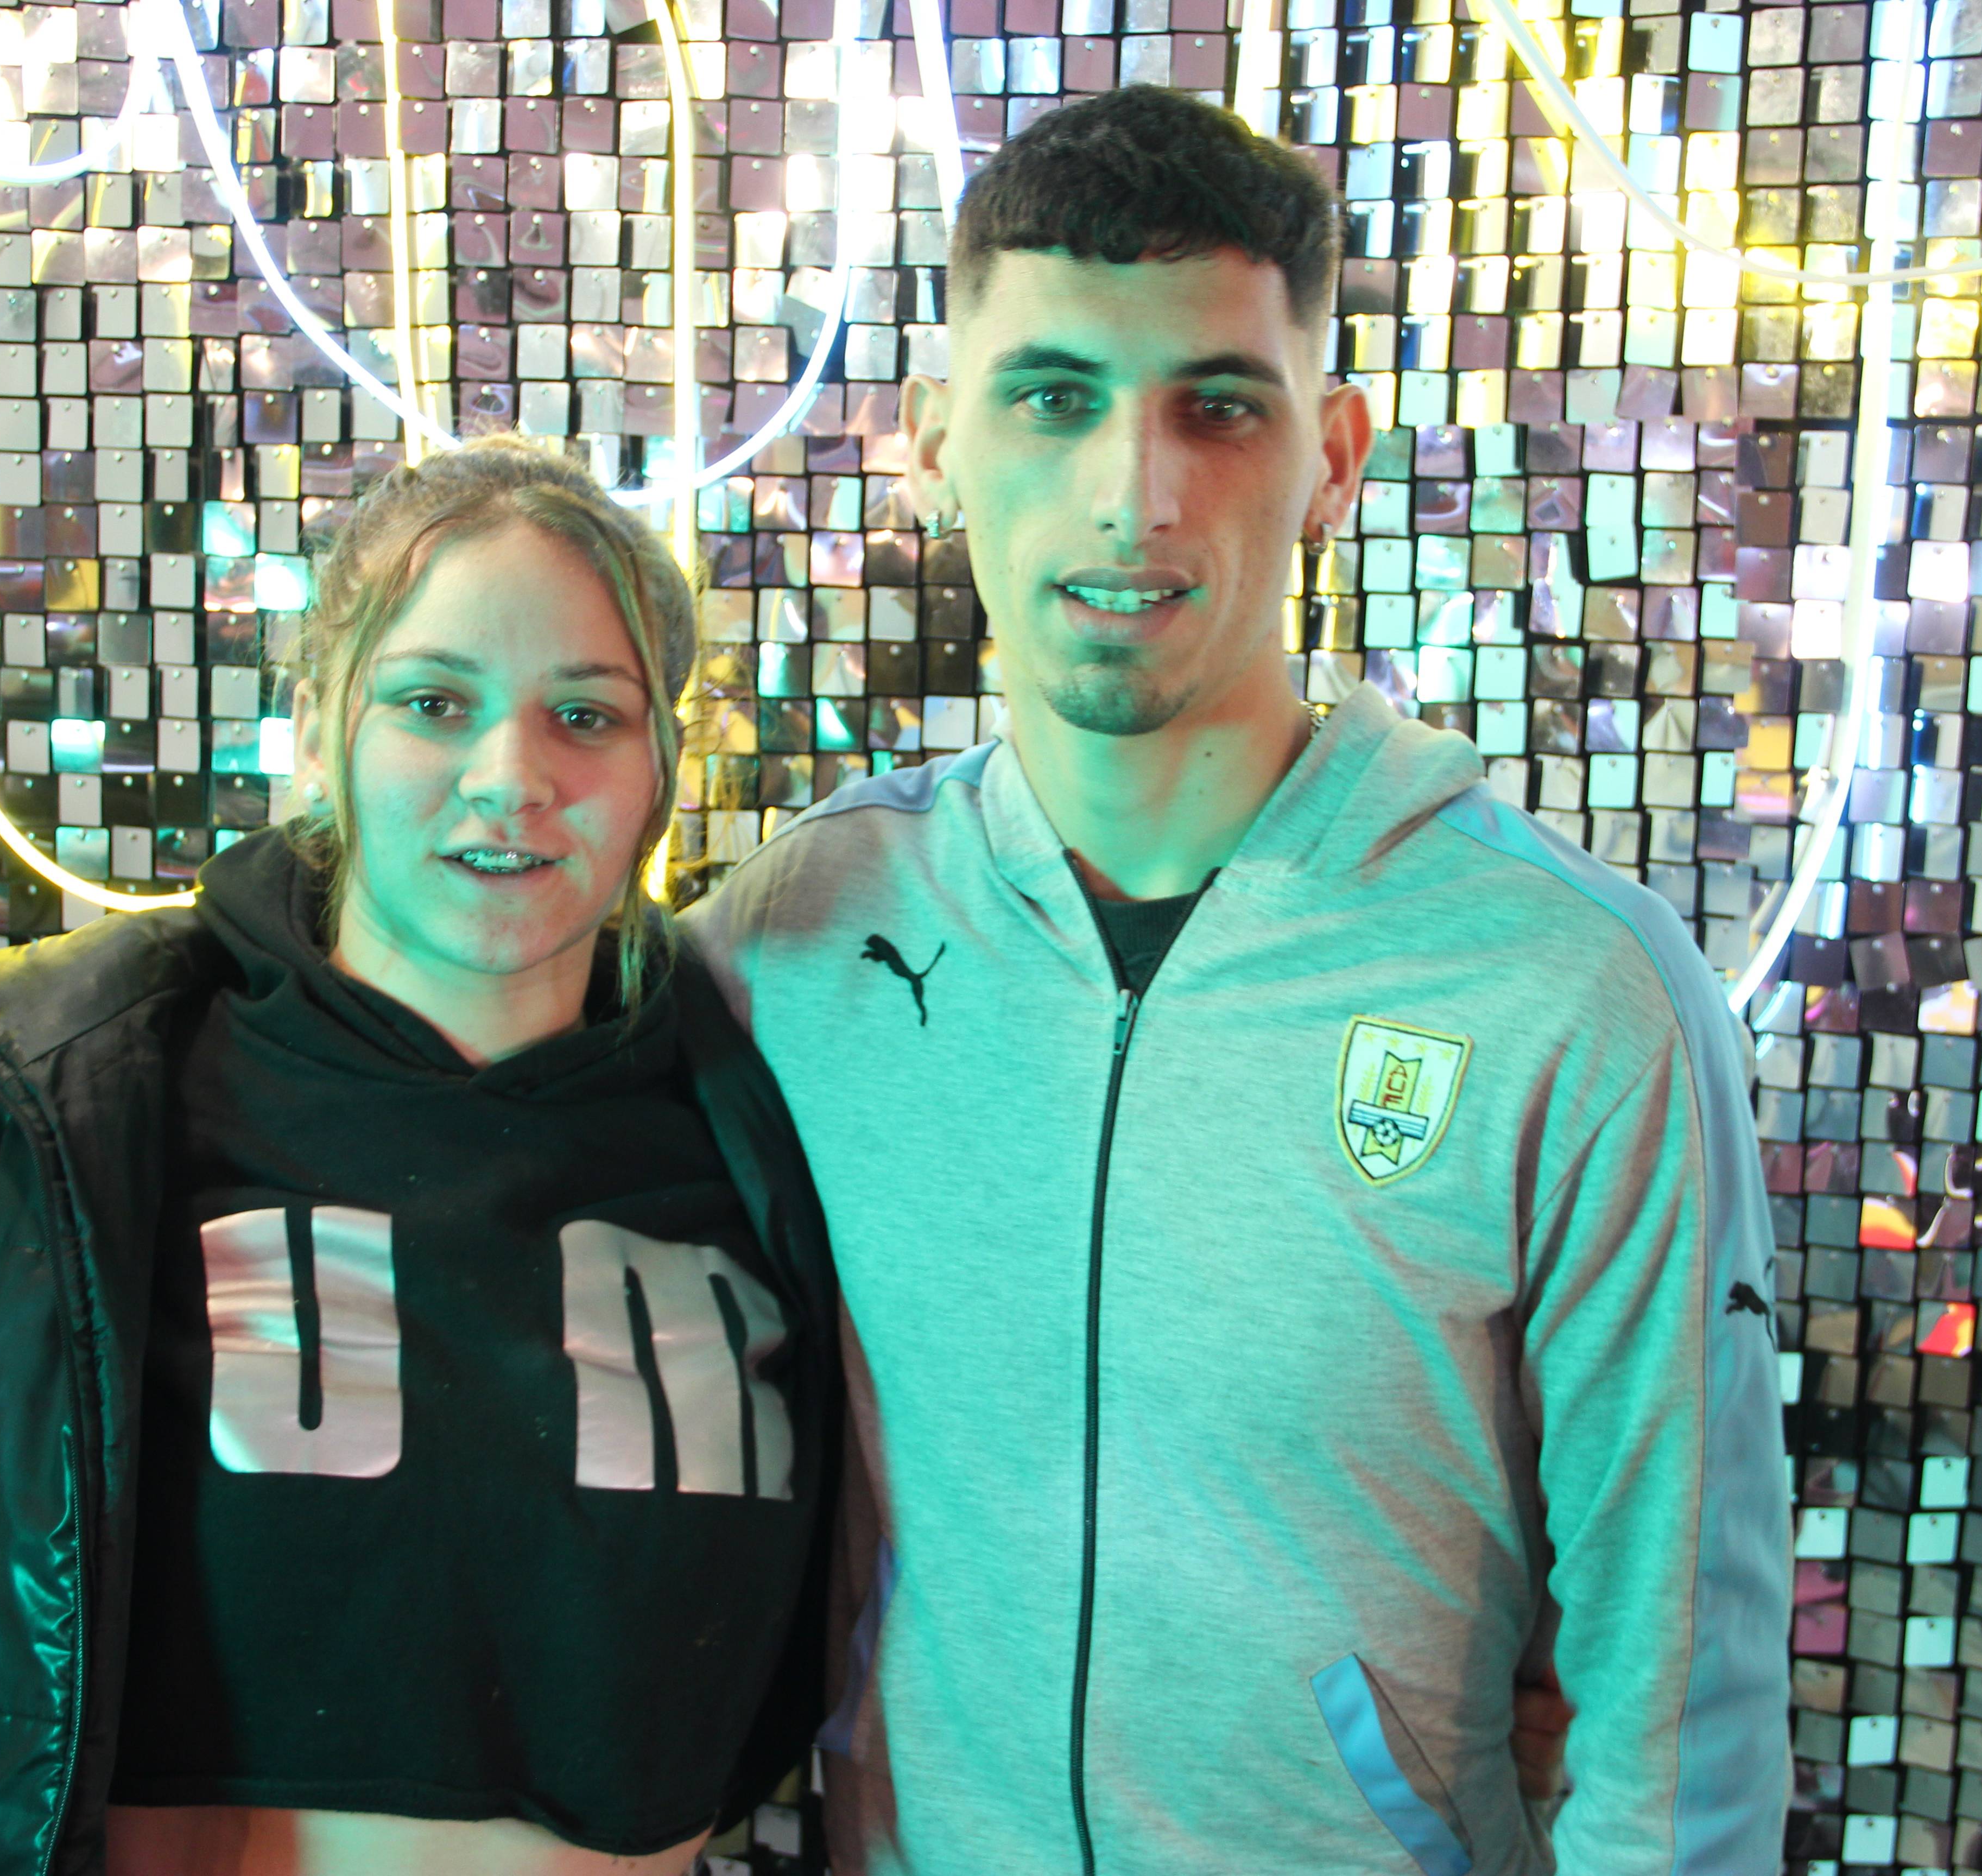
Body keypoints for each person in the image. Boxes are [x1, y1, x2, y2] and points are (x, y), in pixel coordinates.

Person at [682, 85, 1790, 1874]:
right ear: (937, 440)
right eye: (1053, 399)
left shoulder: (1572, 991)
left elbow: (1682, 1692)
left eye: (1216, 407)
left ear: (1332, 456)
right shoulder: (793, 943)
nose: (1134, 495)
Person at [0, 437, 836, 1876]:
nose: (511, 777)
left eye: (585, 714)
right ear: (321, 725)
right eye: (434, 702)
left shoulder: (760, 1117)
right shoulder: (82, 1089)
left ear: (661, 767)